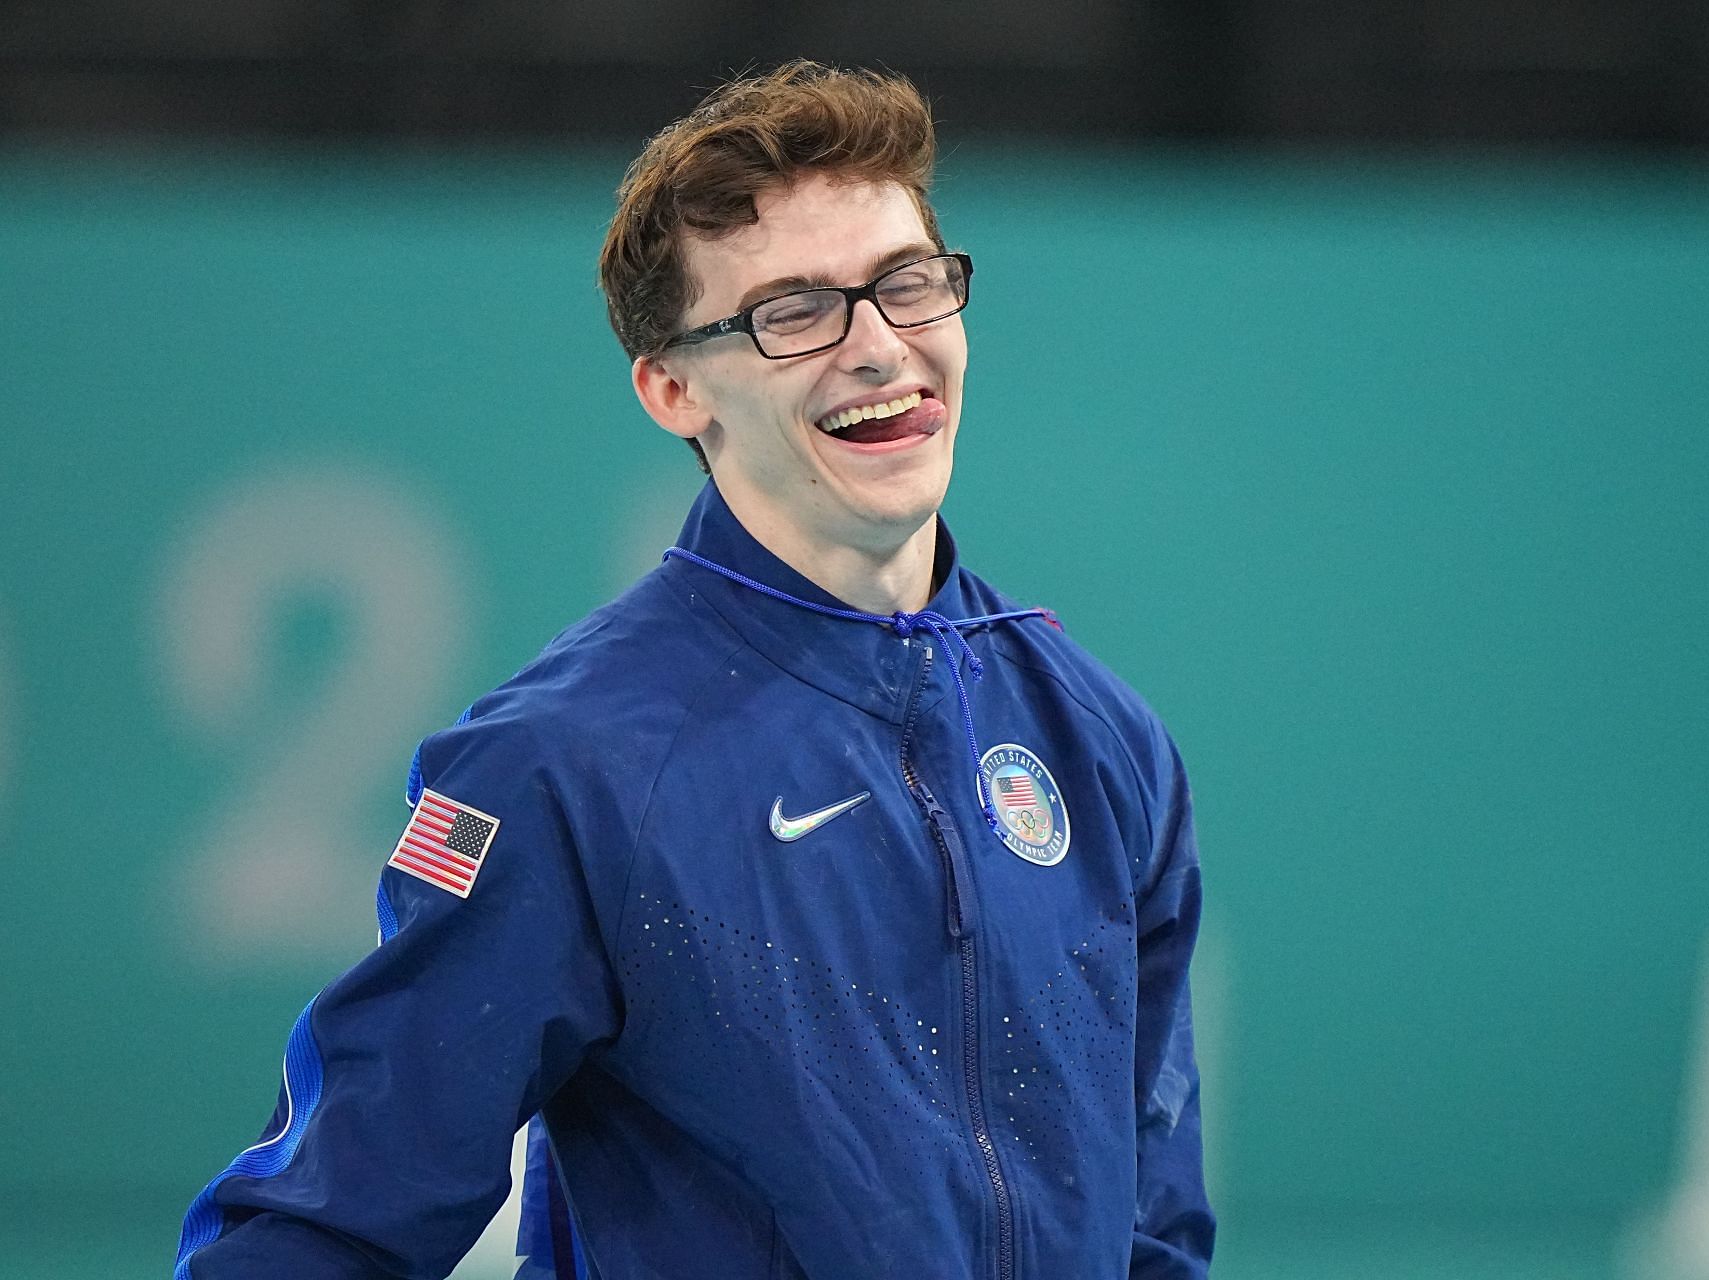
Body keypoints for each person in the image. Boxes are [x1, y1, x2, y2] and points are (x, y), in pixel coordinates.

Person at [175, 60, 1214, 1280]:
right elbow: (328, 1219)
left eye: (909, 285)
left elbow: (1154, 1228)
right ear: (674, 388)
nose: (880, 348)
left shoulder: (1100, 738)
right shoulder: (567, 765)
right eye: (794, 313)